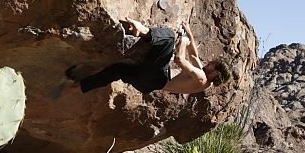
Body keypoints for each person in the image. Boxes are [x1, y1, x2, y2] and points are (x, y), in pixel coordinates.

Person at [66, 17, 231, 95]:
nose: (209, 62)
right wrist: (189, 35)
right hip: (146, 85)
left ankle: (143, 31)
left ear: (216, 73)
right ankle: (81, 86)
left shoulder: (202, 78)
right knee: (118, 70)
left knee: (169, 37)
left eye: (213, 64)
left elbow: (179, 59)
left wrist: (182, 42)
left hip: (157, 78)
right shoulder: (204, 81)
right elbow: (194, 55)